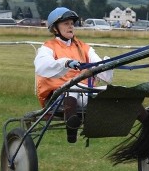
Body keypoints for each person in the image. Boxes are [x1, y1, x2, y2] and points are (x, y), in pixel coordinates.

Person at [34, 7, 114, 142]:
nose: (70, 26)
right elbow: (42, 66)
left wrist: (108, 64)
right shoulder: (48, 47)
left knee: (115, 92)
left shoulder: (84, 47)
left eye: (72, 23)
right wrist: (66, 63)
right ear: (55, 29)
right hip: (56, 99)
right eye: (66, 23)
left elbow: (100, 68)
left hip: (84, 93)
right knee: (71, 89)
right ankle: (71, 130)